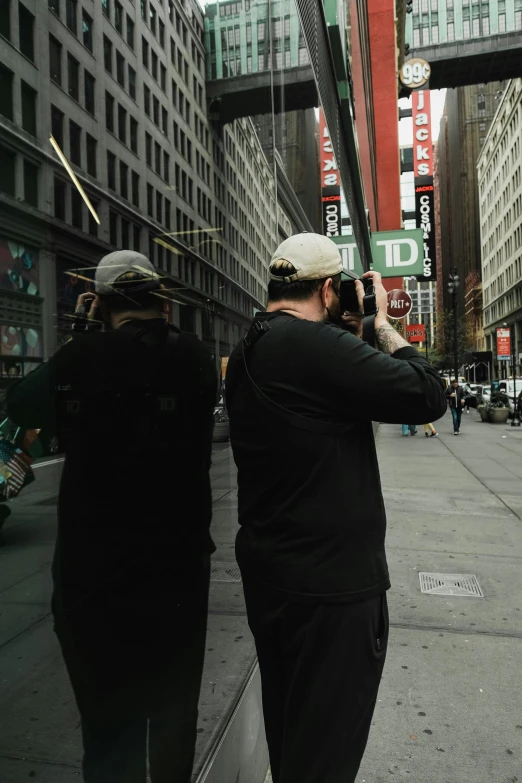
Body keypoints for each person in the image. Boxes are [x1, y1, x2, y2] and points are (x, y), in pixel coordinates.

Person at [225, 233, 447, 783]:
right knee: (325, 751)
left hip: (273, 576)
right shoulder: (317, 348)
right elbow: (427, 394)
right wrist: (380, 323)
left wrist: (346, 332)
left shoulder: (251, 346)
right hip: (332, 589)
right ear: (329, 289)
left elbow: (322, 404)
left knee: (292, 733)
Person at [7, 251, 218, 783]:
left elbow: (23, 405)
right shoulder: (195, 359)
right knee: (173, 715)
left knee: (107, 726)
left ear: (100, 305)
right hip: (177, 574)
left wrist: (80, 331)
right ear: (162, 303)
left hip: (93, 578)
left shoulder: (82, 357)